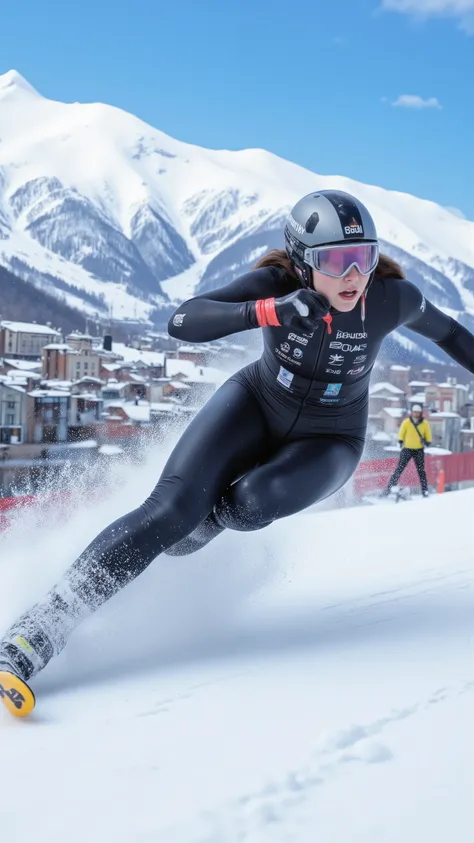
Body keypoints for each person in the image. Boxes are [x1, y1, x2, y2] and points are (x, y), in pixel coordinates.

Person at [2, 188, 474, 698]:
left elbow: (451, 335)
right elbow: (182, 320)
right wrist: (266, 311)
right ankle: (39, 630)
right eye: (336, 261)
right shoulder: (276, 284)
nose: (354, 276)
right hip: (255, 401)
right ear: (301, 262)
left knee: (250, 502)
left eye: (363, 258)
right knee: (168, 512)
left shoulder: (391, 299)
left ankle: (207, 525)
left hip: (331, 437)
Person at [381, 404, 432, 497]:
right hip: (407, 449)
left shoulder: (425, 423)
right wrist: (400, 440)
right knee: (399, 469)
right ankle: (388, 489)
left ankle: (425, 491)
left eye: (418, 412)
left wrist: (428, 441)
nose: (416, 414)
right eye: (414, 412)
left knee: (421, 471)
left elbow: (428, 434)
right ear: (412, 412)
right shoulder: (406, 422)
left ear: (420, 413)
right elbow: (401, 432)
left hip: (419, 449)